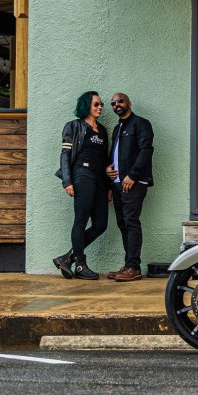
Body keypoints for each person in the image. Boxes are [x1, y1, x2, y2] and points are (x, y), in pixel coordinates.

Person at [52, 91, 109, 280]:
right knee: (81, 220)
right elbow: (65, 155)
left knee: (101, 224)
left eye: (101, 104)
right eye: (96, 105)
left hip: (99, 179)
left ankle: (67, 258)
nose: (100, 107)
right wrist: (67, 181)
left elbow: (105, 159)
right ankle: (80, 265)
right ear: (87, 106)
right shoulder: (73, 126)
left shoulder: (102, 130)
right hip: (82, 175)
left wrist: (108, 186)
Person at [105, 92, 154, 281]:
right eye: (113, 103)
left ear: (129, 103)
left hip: (134, 183)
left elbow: (146, 150)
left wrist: (132, 175)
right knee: (123, 223)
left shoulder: (141, 124)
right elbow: (114, 155)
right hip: (117, 184)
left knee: (131, 221)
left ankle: (134, 267)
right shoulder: (118, 128)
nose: (116, 104)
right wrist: (109, 177)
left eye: (120, 101)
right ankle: (128, 265)